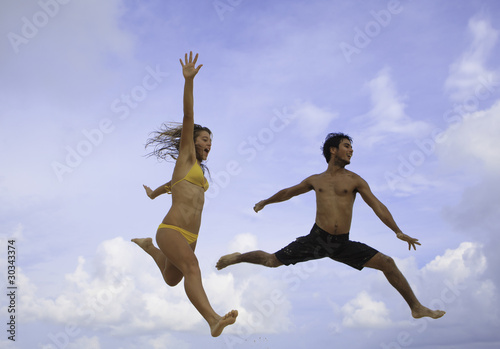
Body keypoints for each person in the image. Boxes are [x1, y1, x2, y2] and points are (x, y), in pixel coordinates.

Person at [217, 132, 445, 320]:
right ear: (333, 150)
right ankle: (237, 257)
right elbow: (288, 192)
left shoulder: (356, 180)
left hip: (341, 243)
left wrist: (397, 230)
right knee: (271, 261)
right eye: (347, 146)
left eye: (351, 147)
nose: (351, 150)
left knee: (387, 263)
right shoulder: (316, 180)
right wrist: (266, 201)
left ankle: (416, 307)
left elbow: (377, 205)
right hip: (317, 239)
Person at [132, 52, 238, 337]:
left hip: (191, 237)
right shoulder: (186, 156)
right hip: (172, 229)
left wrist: (155, 193)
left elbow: (173, 185)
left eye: (210, 142)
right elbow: (188, 116)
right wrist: (189, 82)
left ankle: (148, 248)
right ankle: (213, 319)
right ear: (192, 142)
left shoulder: (197, 172)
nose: (209, 145)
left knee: (171, 279)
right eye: (205, 139)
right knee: (192, 268)